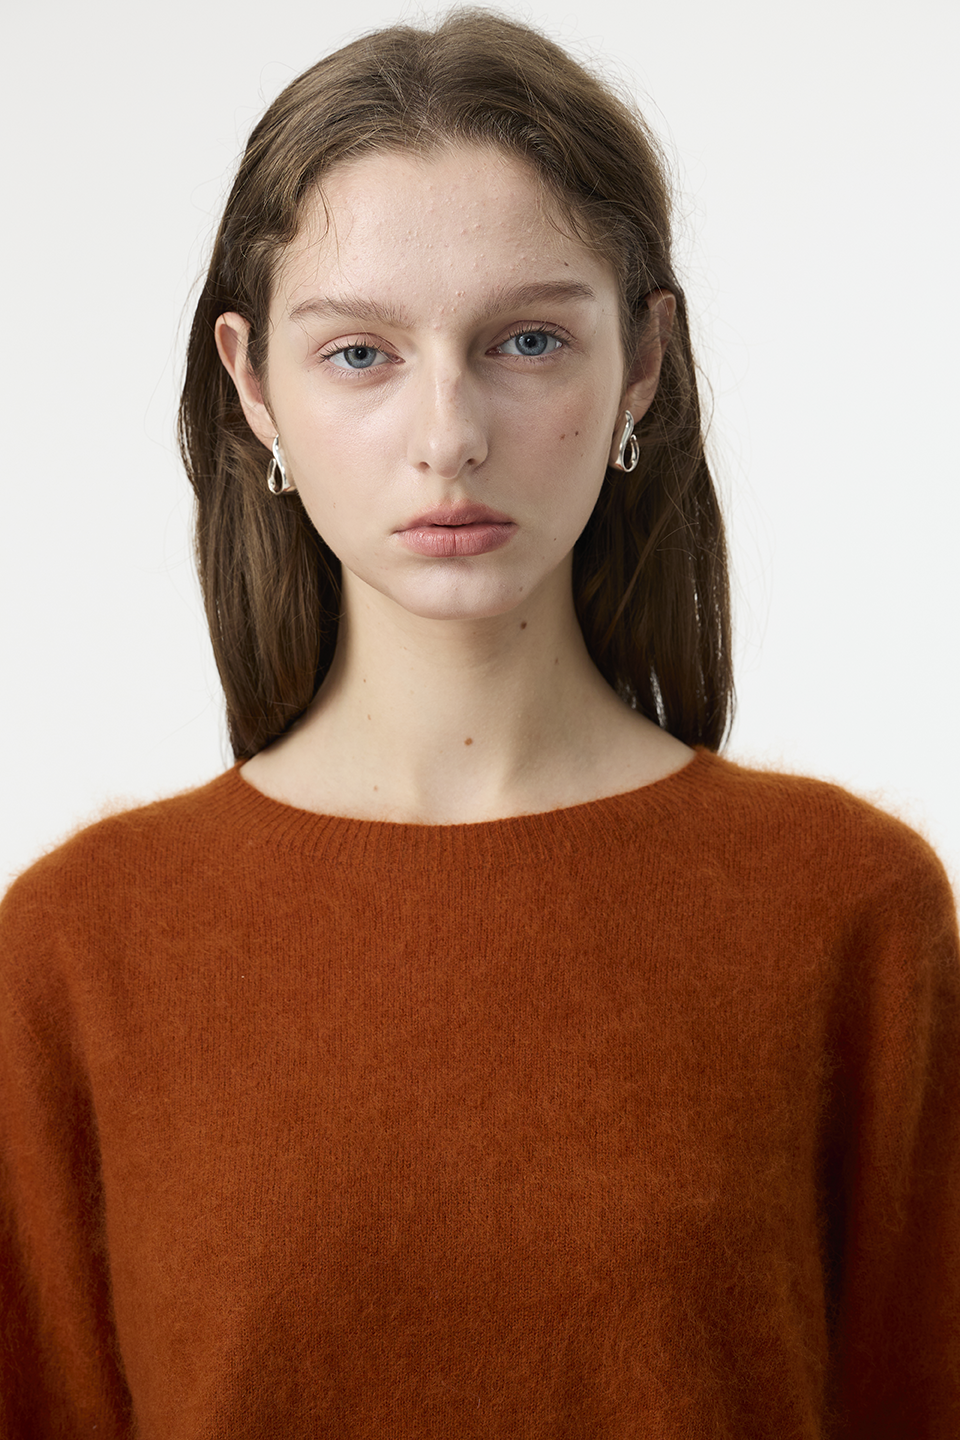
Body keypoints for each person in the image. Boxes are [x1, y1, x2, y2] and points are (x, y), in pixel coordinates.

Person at [1, 9, 956, 1437]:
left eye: (526, 340)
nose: (449, 435)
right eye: (361, 354)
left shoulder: (849, 908)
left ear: (642, 360)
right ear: (252, 384)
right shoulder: (79, 949)